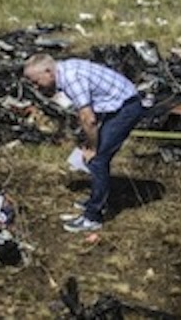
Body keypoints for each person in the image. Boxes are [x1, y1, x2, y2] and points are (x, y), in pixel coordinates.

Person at [23, 54, 145, 233]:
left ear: (48, 72)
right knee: (96, 154)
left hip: (126, 107)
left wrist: (92, 147)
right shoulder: (64, 69)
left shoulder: (72, 79)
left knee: (97, 159)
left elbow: (89, 120)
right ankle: (99, 199)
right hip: (117, 103)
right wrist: (89, 143)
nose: (36, 87)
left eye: (36, 81)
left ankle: (93, 217)